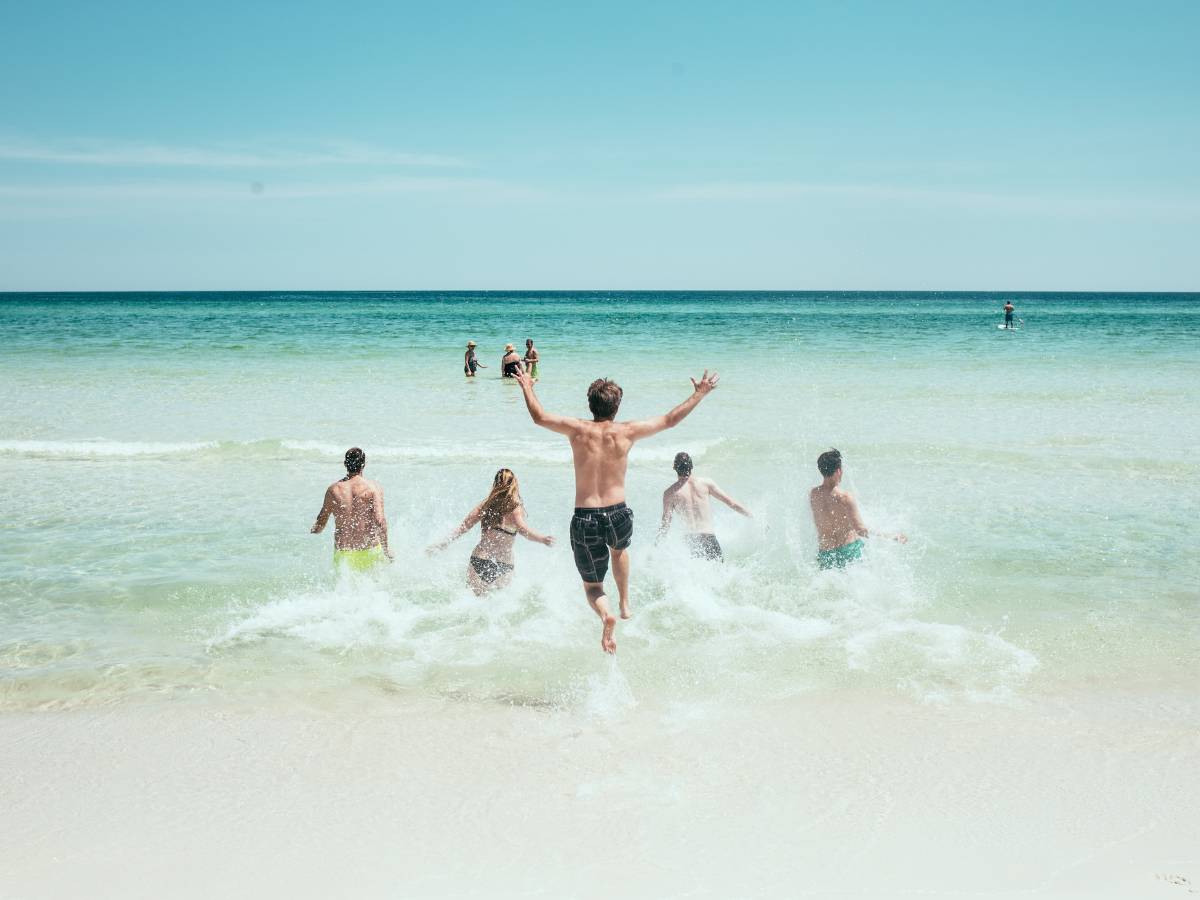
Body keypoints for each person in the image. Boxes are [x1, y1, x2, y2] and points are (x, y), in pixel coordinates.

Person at [514, 366, 720, 653]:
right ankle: (624, 602)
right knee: (620, 551)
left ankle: (606, 613)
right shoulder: (627, 431)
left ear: (590, 404)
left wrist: (526, 385)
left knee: (593, 587)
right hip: (618, 513)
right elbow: (671, 420)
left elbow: (539, 417)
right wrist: (699, 393)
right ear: (617, 405)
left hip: (585, 516)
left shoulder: (577, 429)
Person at [426, 468, 555, 595]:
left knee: (472, 603)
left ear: (495, 484)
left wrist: (442, 544)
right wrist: (542, 539)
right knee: (499, 607)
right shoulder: (515, 508)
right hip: (503, 565)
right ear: (514, 484)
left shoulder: (486, 505)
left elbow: (463, 527)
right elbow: (523, 530)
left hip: (480, 560)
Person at [809, 448, 905, 570]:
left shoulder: (813, 494)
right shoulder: (845, 497)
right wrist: (890, 536)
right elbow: (860, 530)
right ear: (838, 470)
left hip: (826, 553)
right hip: (848, 550)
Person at [657, 451, 751, 561]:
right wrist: (753, 516)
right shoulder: (706, 483)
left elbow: (666, 524)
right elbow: (731, 503)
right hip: (709, 539)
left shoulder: (669, 493)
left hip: (691, 542)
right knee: (719, 574)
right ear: (691, 466)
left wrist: (657, 546)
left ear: (674, 467)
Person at [311, 447, 393, 571]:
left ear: (345, 464)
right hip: (369, 551)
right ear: (363, 465)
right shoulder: (373, 488)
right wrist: (386, 550)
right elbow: (380, 521)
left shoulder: (334, 490)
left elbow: (321, 523)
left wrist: (315, 529)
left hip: (344, 554)